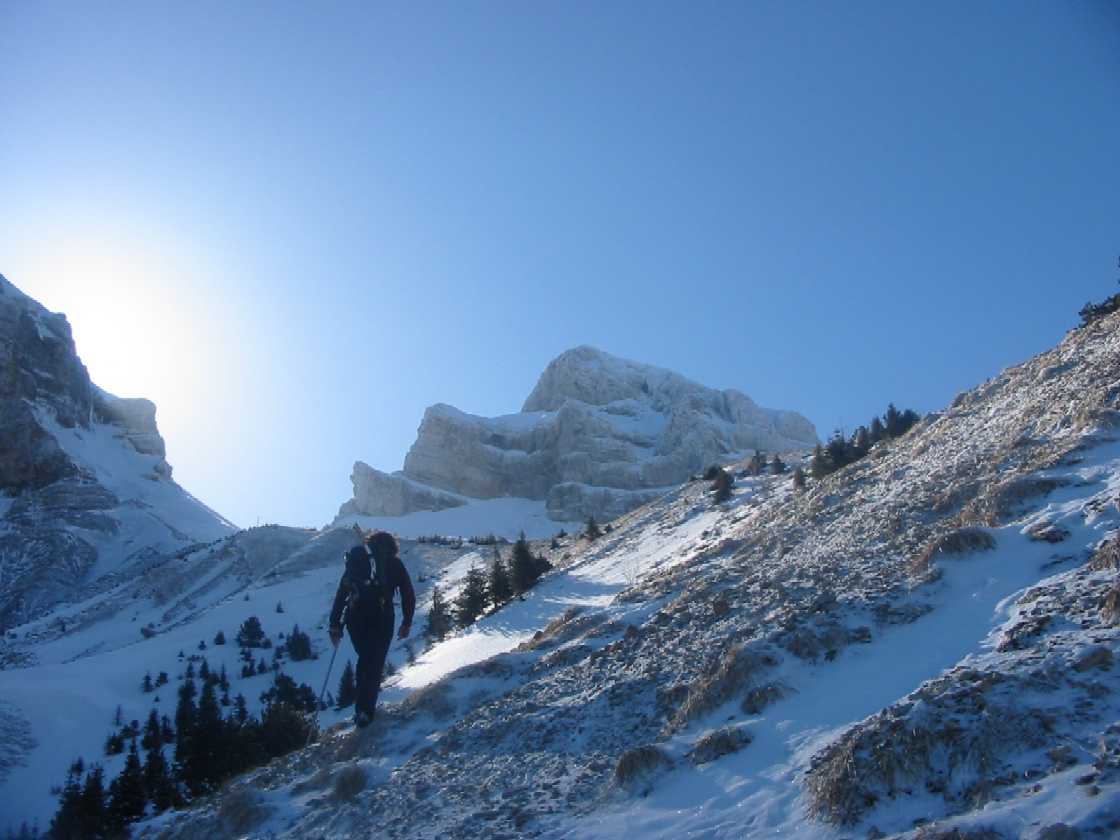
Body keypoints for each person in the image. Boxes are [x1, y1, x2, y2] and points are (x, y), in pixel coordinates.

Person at [329, 529, 415, 727]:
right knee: (374, 662)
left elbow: (342, 593)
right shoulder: (395, 563)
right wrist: (407, 622)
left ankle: (362, 709)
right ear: (392, 546)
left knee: (366, 658)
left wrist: (334, 625)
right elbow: (408, 594)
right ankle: (365, 711)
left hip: (355, 618)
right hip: (382, 617)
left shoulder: (357, 560)